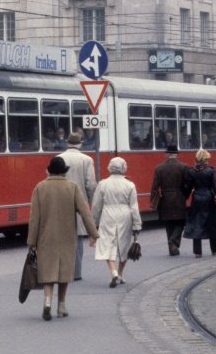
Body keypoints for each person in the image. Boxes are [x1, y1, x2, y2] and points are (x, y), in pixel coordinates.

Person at [27, 156, 99, 321]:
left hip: (46, 237)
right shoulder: (72, 187)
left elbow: (34, 217)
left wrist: (31, 241)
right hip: (67, 236)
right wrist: (93, 234)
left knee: (47, 271)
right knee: (64, 271)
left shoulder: (40, 187)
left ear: (49, 170)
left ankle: (47, 302)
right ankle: (61, 305)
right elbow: (85, 212)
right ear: (64, 171)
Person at [92, 157, 142, 288]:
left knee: (108, 243)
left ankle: (112, 271)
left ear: (110, 167)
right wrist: (137, 224)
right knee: (123, 244)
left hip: (108, 213)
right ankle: (120, 274)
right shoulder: (129, 185)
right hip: (125, 214)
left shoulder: (103, 184)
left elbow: (96, 205)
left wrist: (94, 222)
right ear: (124, 168)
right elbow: (134, 207)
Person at [57, 130, 96, 280]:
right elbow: (91, 184)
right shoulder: (87, 160)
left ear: (67, 143)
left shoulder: (58, 158)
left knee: (63, 238)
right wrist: (90, 201)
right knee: (78, 238)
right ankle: (76, 273)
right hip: (80, 202)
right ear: (80, 144)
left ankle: (63, 271)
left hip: (61, 202)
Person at [182, 148, 216, 257]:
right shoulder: (211, 170)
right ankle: (215, 248)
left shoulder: (192, 171)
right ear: (206, 159)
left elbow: (188, 187)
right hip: (208, 198)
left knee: (197, 223)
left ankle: (197, 252)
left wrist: (185, 197)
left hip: (196, 198)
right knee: (211, 223)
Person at [150, 144, 190, 255]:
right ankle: (173, 241)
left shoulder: (159, 168)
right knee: (181, 222)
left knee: (169, 224)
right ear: (177, 154)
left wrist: (153, 201)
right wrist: (185, 195)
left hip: (165, 198)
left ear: (167, 154)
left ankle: (172, 249)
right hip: (179, 197)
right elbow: (188, 184)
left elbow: (154, 187)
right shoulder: (184, 167)